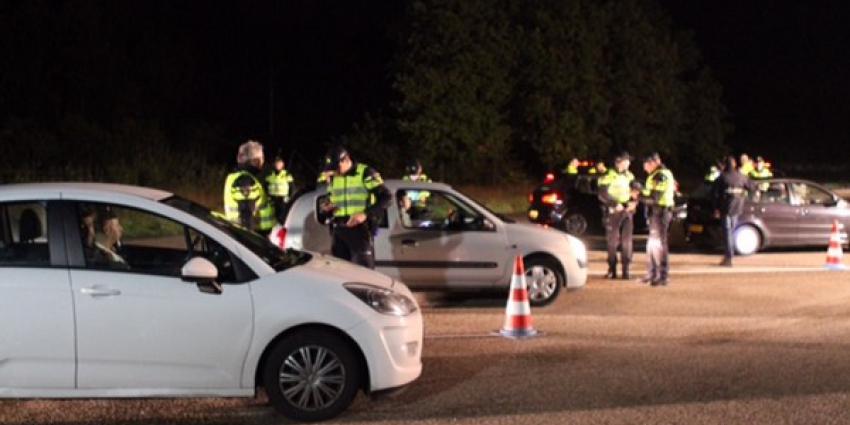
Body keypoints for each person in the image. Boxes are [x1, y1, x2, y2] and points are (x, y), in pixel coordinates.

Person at [320, 146, 391, 269]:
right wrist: (328, 206)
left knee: (364, 274)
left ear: (346, 160)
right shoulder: (333, 177)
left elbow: (386, 197)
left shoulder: (365, 173)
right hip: (339, 230)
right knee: (339, 274)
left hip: (360, 230)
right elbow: (333, 198)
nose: (334, 172)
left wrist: (365, 214)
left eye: (336, 168)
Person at [223, 140, 276, 234]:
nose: (263, 161)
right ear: (256, 160)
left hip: (247, 234)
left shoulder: (242, 177)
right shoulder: (245, 180)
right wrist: (250, 243)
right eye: (262, 157)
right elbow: (246, 220)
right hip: (253, 236)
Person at [712, 156, 756, 266]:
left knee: (727, 233)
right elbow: (752, 187)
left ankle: (729, 257)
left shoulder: (722, 178)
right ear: (735, 164)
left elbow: (714, 195)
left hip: (725, 209)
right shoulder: (741, 177)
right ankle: (729, 256)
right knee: (731, 232)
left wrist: (716, 208)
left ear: (725, 165)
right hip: (737, 208)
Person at [598, 152, 636, 280]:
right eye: (627, 161)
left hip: (627, 211)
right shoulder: (608, 175)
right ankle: (612, 270)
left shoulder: (629, 175)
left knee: (627, 242)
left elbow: (635, 192)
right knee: (613, 242)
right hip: (613, 211)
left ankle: (626, 270)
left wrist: (633, 203)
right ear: (619, 162)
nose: (629, 163)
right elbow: (602, 193)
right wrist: (614, 203)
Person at [640, 153, 676, 286]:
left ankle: (663, 275)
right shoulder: (654, 175)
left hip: (661, 212)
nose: (645, 168)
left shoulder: (662, 175)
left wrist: (639, 197)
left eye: (646, 165)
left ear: (654, 163)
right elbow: (650, 193)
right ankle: (652, 273)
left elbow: (655, 197)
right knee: (652, 244)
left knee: (660, 244)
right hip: (655, 212)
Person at [266, 152, 295, 221]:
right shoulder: (270, 174)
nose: (278, 165)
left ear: (282, 165)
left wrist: (289, 197)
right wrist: (267, 196)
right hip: (272, 199)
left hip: (282, 199)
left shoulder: (286, 175)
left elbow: (291, 187)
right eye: (276, 163)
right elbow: (265, 186)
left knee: (282, 217)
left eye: (279, 163)